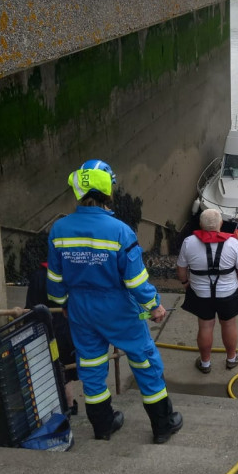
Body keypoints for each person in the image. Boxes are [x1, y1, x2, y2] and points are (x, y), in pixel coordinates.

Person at [46, 159, 183, 444]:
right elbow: (135, 282)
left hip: (81, 310)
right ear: (108, 191)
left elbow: (55, 280)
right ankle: (162, 424)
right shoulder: (120, 231)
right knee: (145, 362)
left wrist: (63, 305)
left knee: (92, 368)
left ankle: (104, 426)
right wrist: (154, 306)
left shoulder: (59, 229)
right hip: (118, 309)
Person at [176, 208, 238, 373]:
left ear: (201, 224)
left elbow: (181, 268)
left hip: (200, 294)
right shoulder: (233, 243)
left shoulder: (189, 243)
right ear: (221, 224)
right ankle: (231, 359)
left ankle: (205, 363)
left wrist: (185, 283)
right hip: (228, 293)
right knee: (229, 324)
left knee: (205, 327)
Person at [25, 259, 78, 415]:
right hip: (67, 333)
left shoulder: (38, 277)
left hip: (46, 333)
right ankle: (69, 405)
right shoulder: (69, 274)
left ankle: (57, 407)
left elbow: (30, 309)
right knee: (65, 372)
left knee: (50, 370)